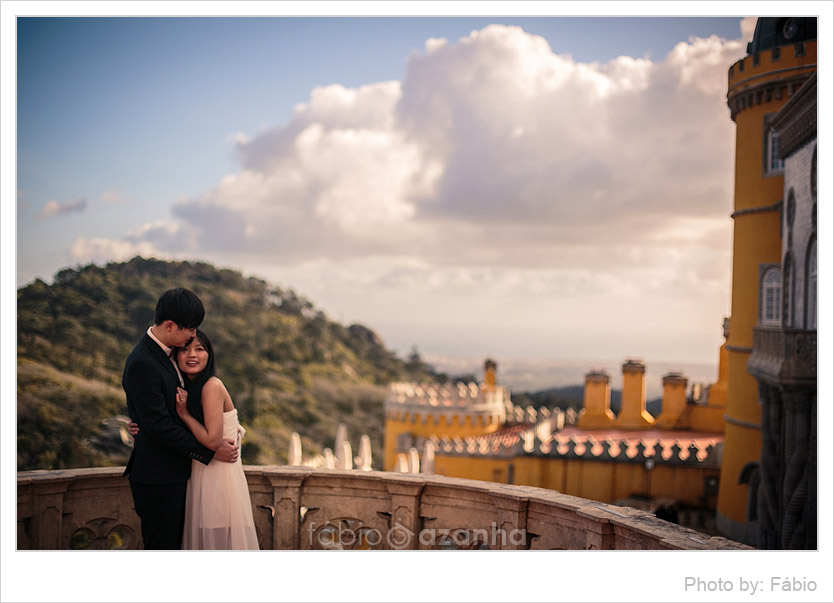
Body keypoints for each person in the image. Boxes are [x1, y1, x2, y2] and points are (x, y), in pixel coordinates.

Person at [122, 287, 239, 550]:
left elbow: (165, 410)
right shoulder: (144, 361)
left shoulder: (169, 354)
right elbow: (160, 426)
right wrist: (209, 451)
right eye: (190, 329)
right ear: (170, 325)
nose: (194, 335)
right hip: (158, 479)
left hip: (179, 475)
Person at [174, 330, 259, 550]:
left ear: (209, 355)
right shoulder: (192, 389)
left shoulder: (211, 386)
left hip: (217, 478)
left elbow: (213, 441)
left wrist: (184, 415)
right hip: (203, 472)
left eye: (199, 349)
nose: (192, 355)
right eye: (185, 349)